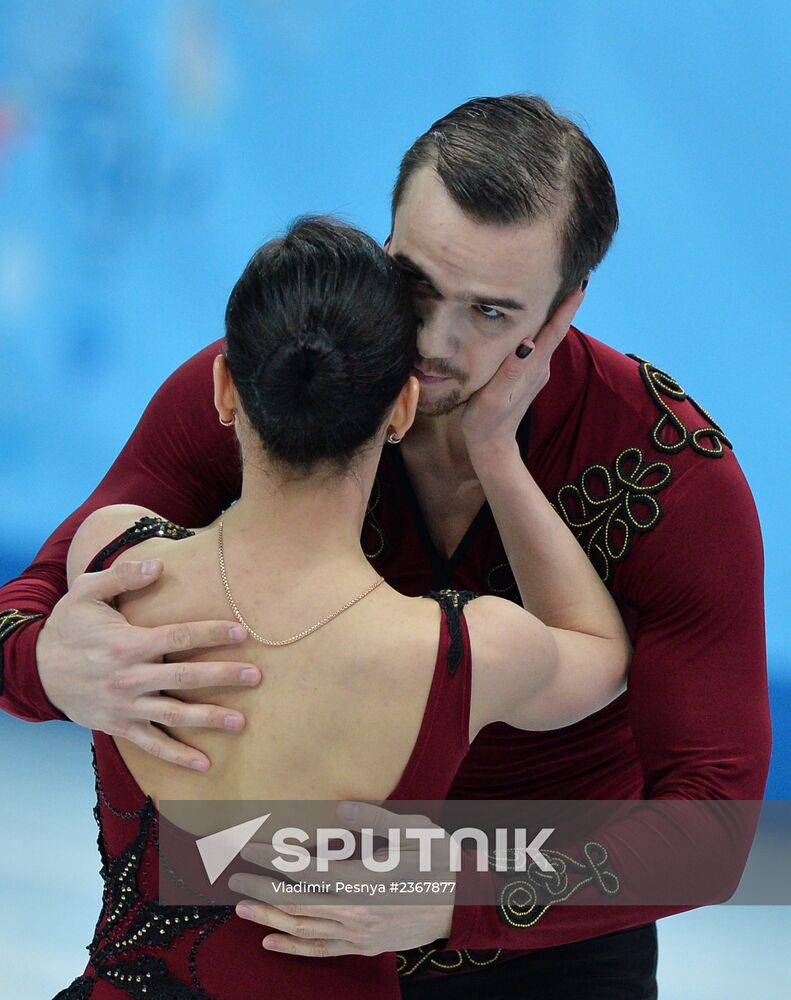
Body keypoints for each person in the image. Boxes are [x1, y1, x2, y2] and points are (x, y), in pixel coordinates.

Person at [0, 95, 769, 999]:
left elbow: (713, 832)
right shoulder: (279, 386)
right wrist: (47, 662)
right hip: (270, 938)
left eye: (489, 311)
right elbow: (25, 614)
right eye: (415, 286)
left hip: (543, 951)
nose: (433, 346)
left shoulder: (660, 470)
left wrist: (459, 890)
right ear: (388, 236)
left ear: (562, 311)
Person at [52, 216, 629, 998]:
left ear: (225, 388)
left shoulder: (116, 557)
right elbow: (599, 650)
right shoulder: (466, 651)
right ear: (400, 410)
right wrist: (495, 452)